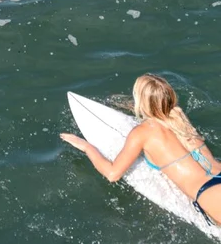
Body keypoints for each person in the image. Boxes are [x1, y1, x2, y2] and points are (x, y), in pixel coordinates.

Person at [60, 73, 221, 225]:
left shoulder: (141, 133)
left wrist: (87, 147)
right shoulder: (178, 115)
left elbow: (112, 174)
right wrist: (124, 104)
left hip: (209, 193)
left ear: (141, 102)